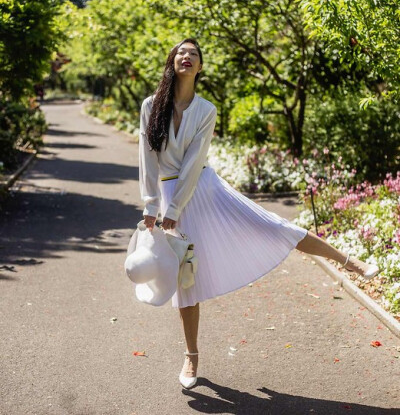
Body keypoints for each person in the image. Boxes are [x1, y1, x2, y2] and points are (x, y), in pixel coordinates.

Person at [138, 38, 381, 390]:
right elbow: (146, 157)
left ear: (200, 67)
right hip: (166, 193)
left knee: (273, 226)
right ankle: (191, 358)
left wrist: (174, 208)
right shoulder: (151, 105)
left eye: (193, 53)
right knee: (184, 280)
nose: (186, 56)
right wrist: (151, 205)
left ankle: (348, 261)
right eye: (180, 52)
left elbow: (194, 162)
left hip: (204, 189)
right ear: (171, 62)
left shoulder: (206, 109)